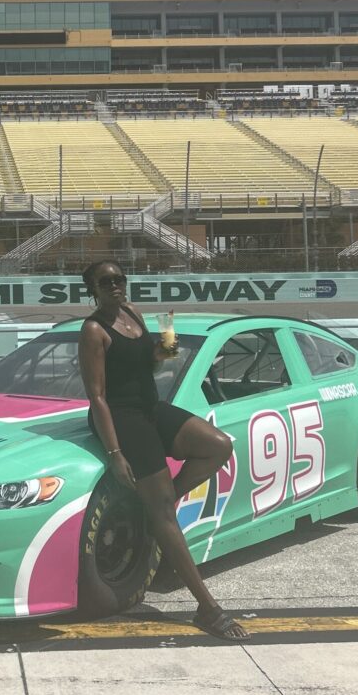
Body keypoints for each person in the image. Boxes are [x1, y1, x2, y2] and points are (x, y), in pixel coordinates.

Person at [78, 259, 250, 642]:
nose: (116, 286)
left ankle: (158, 507)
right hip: (122, 418)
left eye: (120, 279)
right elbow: (98, 397)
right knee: (164, 513)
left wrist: (167, 339)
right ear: (92, 288)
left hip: (149, 408)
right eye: (106, 282)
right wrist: (114, 453)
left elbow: (155, 363)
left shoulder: (132, 312)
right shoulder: (93, 330)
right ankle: (207, 609)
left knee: (218, 446)